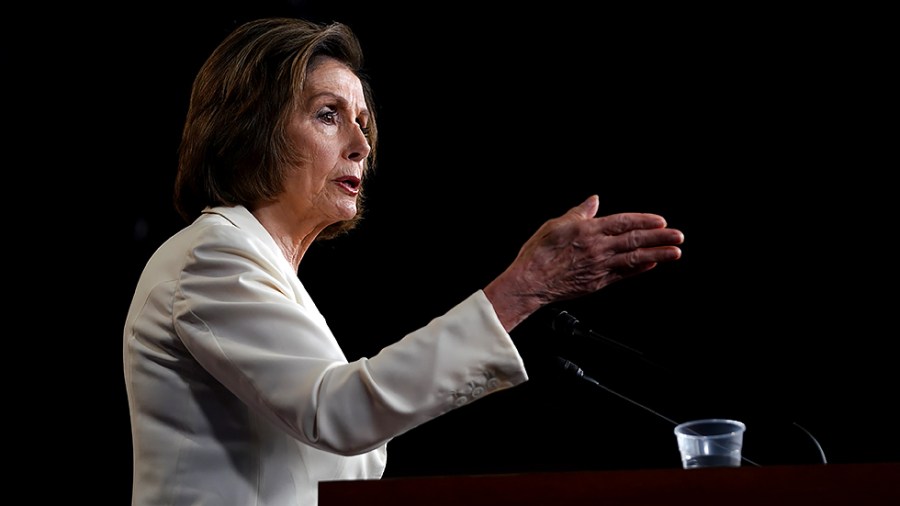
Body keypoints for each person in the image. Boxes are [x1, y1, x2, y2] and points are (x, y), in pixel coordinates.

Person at [122, 16, 685, 506]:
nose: (361, 146)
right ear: (251, 131)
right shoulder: (211, 258)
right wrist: (523, 288)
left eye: (362, 123)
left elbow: (348, 440)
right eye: (327, 115)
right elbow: (337, 411)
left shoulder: (265, 274)